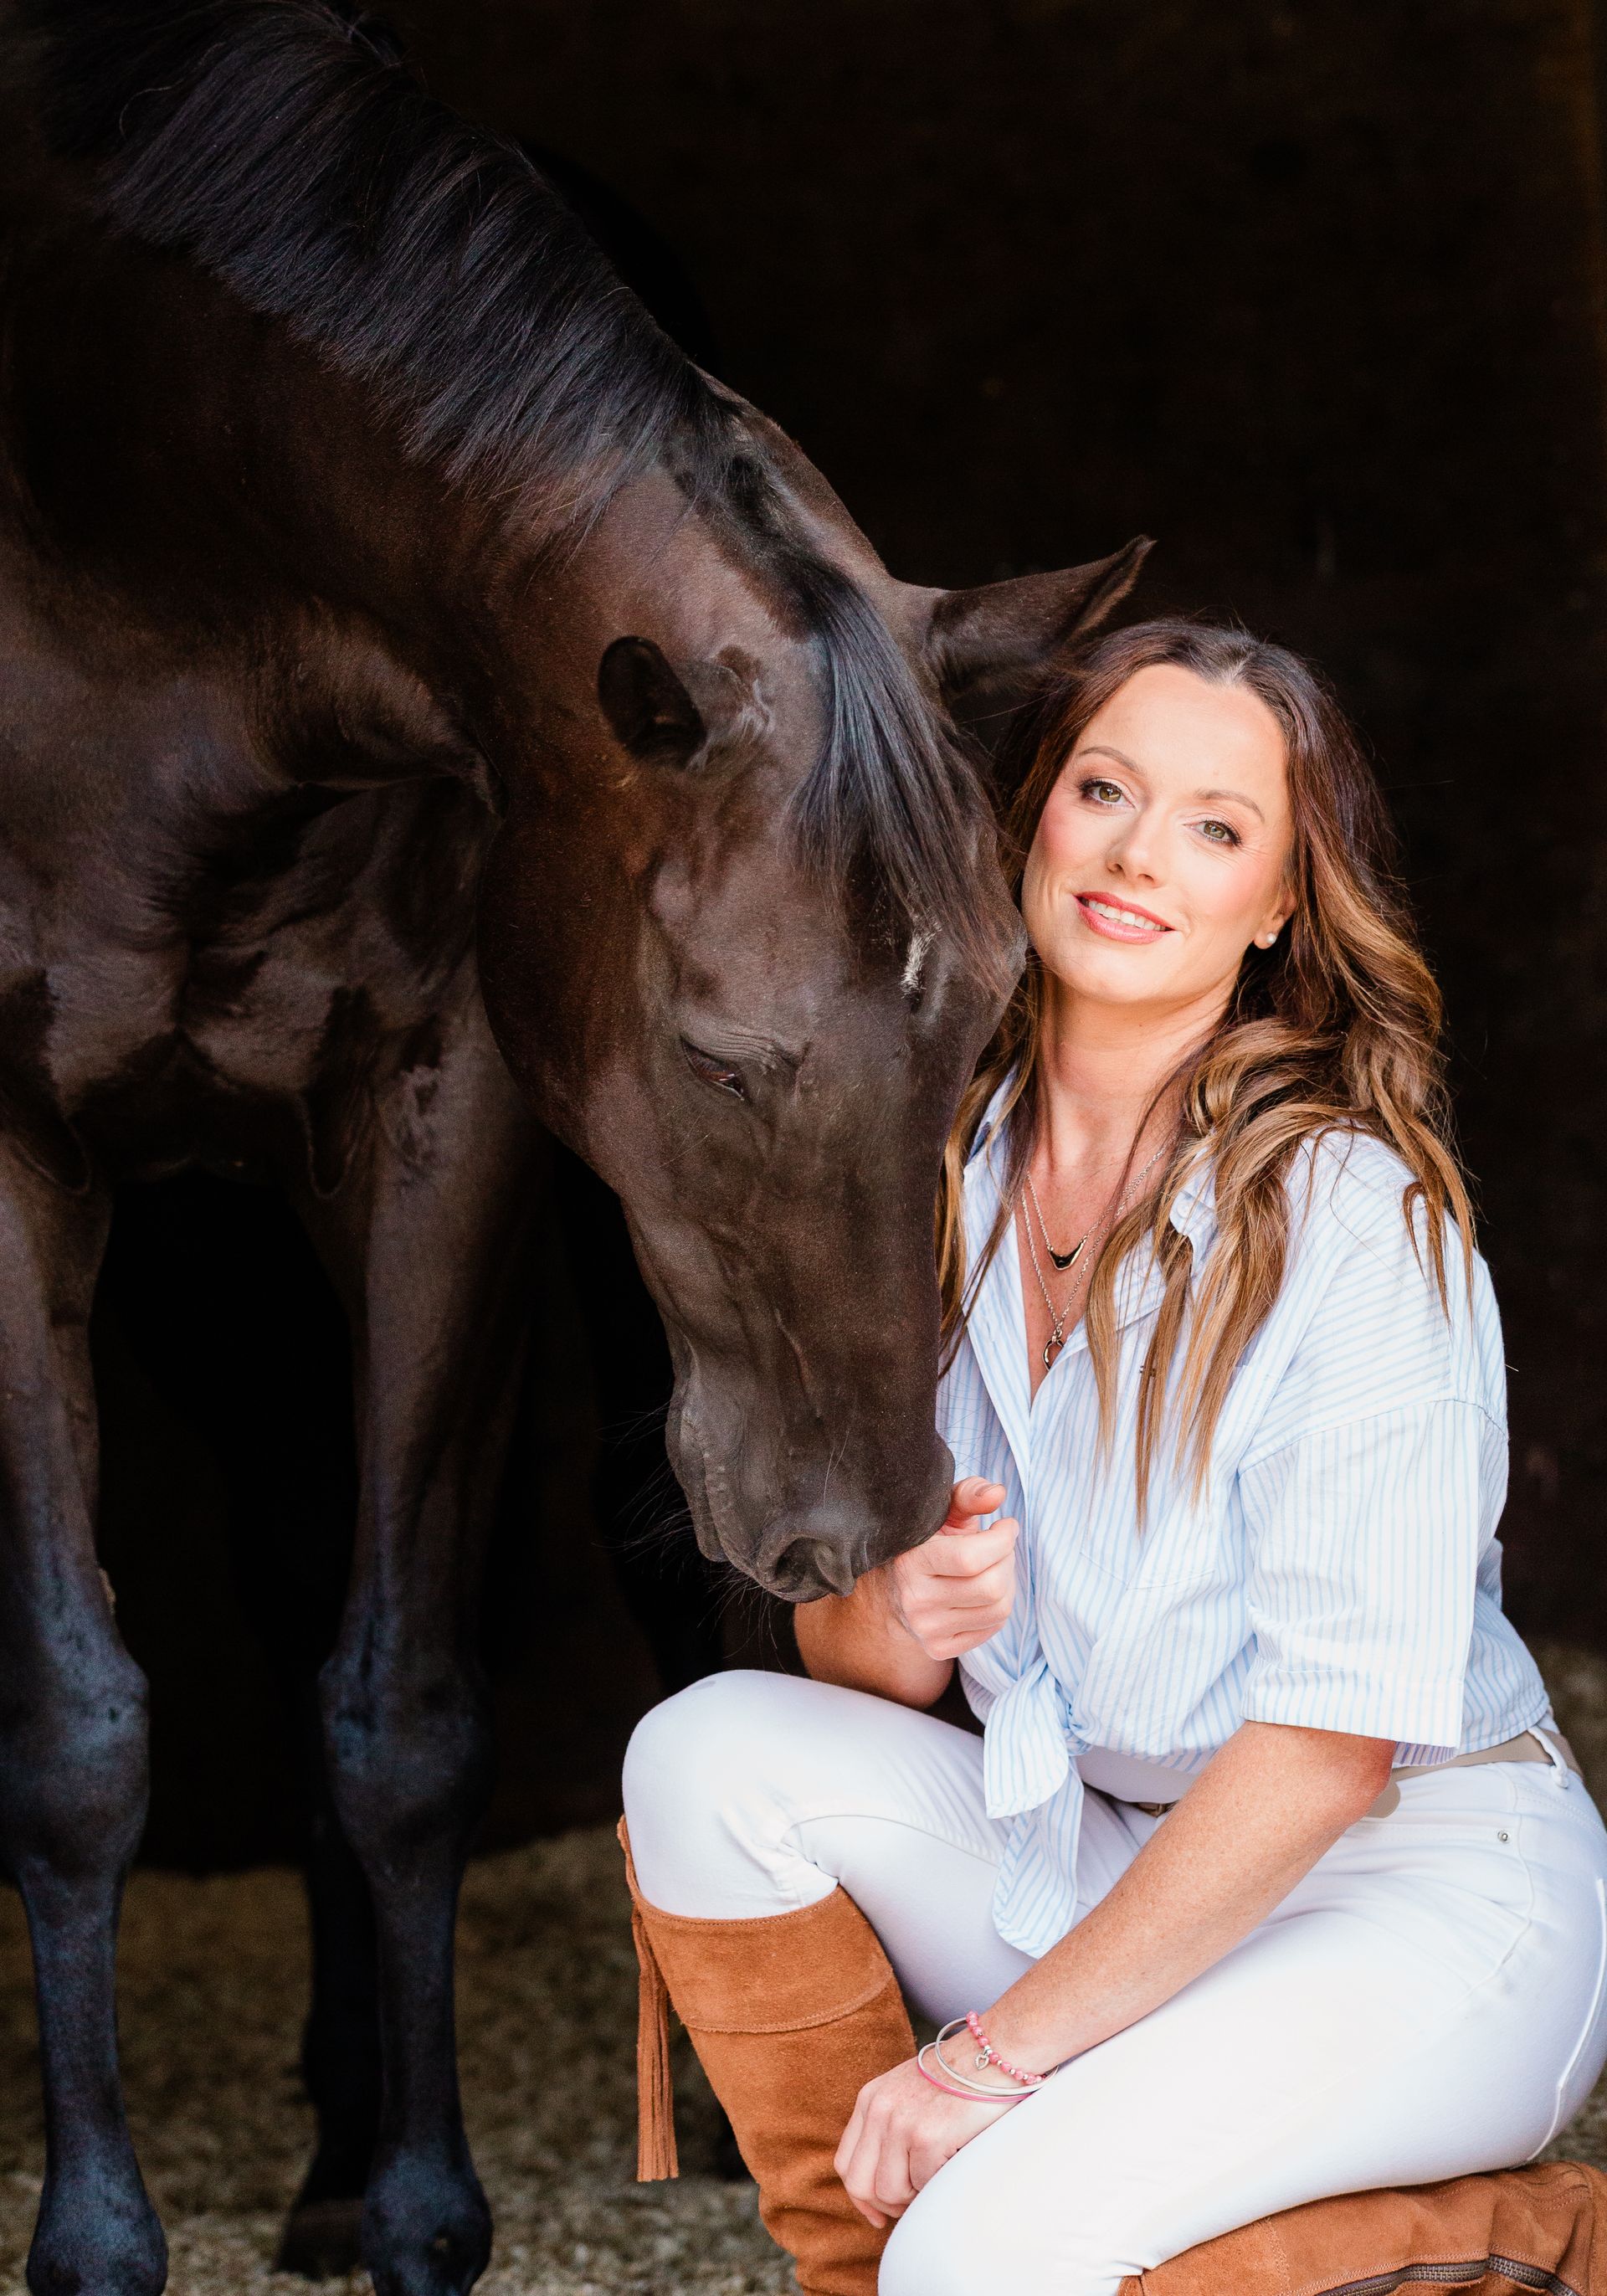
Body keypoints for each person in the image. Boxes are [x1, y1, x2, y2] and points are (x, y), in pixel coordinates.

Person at [619, 620, 1607, 2296]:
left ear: (1282, 903)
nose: (1143, 853)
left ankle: (1520, 2236)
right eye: (1105, 791)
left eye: (1217, 826)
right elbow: (852, 1659)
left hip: (1423, 1894)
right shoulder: (939, 1171)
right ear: (1036, 824)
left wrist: (981, 2064)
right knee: (704, 1757)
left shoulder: (1354, 1220)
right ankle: (867, 2274)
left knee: (991, 2245)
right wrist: (904, 1612)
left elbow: (1327, 1754)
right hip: (1106, 1847)